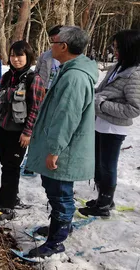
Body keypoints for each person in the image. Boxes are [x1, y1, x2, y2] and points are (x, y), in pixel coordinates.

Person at [25, 26, 99, 258]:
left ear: (64, 46)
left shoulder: (75, 77)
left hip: (64, 149)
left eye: (53, 42)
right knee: (55, 190)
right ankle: (59, 226)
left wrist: (54, 150)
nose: (50, 46)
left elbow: (67, 116)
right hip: (61, 145)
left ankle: (56, 240)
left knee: (60, 194)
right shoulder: (70, 70)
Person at [79, 30, 140, 217]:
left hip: (114, 126)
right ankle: (102, 198)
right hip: (100, 122)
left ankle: (104, 203)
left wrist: (103, 104)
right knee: (98, 163)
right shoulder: (117, 67)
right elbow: (103, 89)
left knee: (107, 165)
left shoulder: (134, 75)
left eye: (117, 47)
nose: (114, 50)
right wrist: (91, 91)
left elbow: (134, 108)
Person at [0, 41, 45, 217]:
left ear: (28, 57)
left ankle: (7, 205)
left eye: (20, 55)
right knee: (6, 164)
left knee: (12, 166)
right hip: (5, 128)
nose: (16, 59)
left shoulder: (33, 79)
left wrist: (28, 132)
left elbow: (36, 108)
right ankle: (10, 195)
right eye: (12, 55)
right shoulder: (7, 77)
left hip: (19, 133)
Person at [20, 25, 63, 177]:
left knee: (54, 130)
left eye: (55, 40)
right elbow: (36, 73)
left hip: (60, 98)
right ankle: (31, 161)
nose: (53, 43)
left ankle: (52, 161)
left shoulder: (72, 58)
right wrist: (38, 89)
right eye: (51, 40)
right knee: (37, 128)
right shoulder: (45, 56)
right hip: (42, 95)